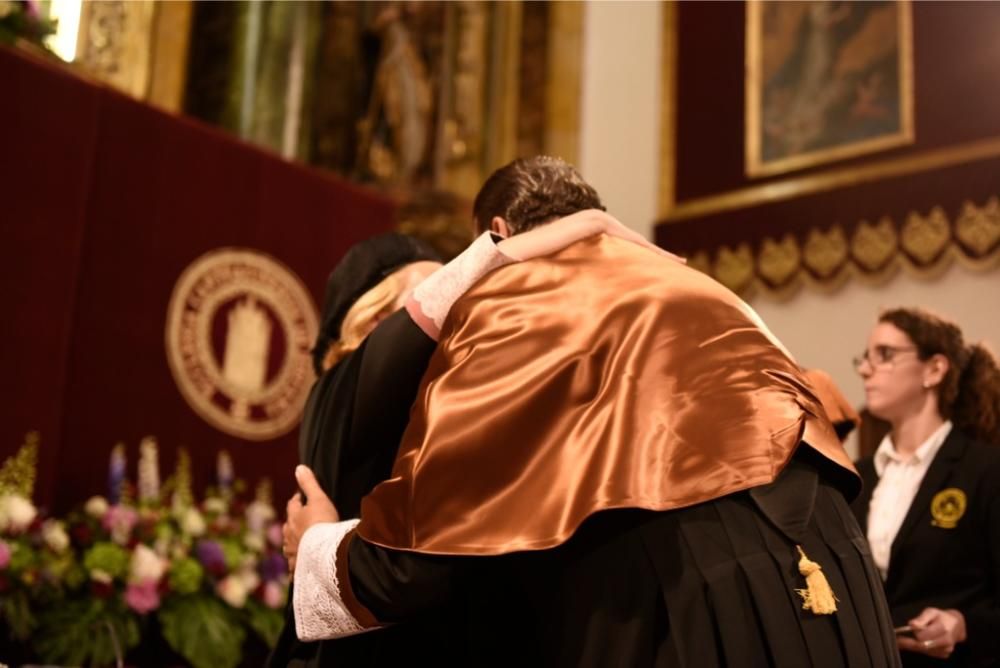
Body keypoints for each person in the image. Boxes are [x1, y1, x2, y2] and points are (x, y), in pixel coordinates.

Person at [284, 156, 901, 667]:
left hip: (693, 596)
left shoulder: (513, 296)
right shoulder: (707, 290)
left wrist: (317, 548)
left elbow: (423, 551)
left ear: (496, 230)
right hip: (843, 587)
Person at [270, 197, 660, 667]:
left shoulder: (439, 393)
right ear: (370, 320)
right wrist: (577, 229)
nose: (468, 314)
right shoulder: (343, 388)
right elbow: (423, 317)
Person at [850, 307, 1000, 666]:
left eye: (885, 355)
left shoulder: (985, 469)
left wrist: (963, 624)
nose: (866, 369)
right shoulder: (855, 476)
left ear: (934, 369)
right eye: (865, 357)